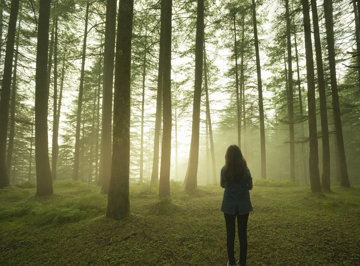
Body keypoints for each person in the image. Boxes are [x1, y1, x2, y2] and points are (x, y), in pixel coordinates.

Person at [221, 145, 253, 266]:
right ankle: (243, 262)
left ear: (227, 156)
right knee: (242, 234)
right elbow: (250, 186)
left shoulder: (224, 170)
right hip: (243, 206)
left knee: (230, 234)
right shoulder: (246, 170)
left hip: (228, 206)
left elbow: (222, 185)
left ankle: (231, 261)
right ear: (240, 156)